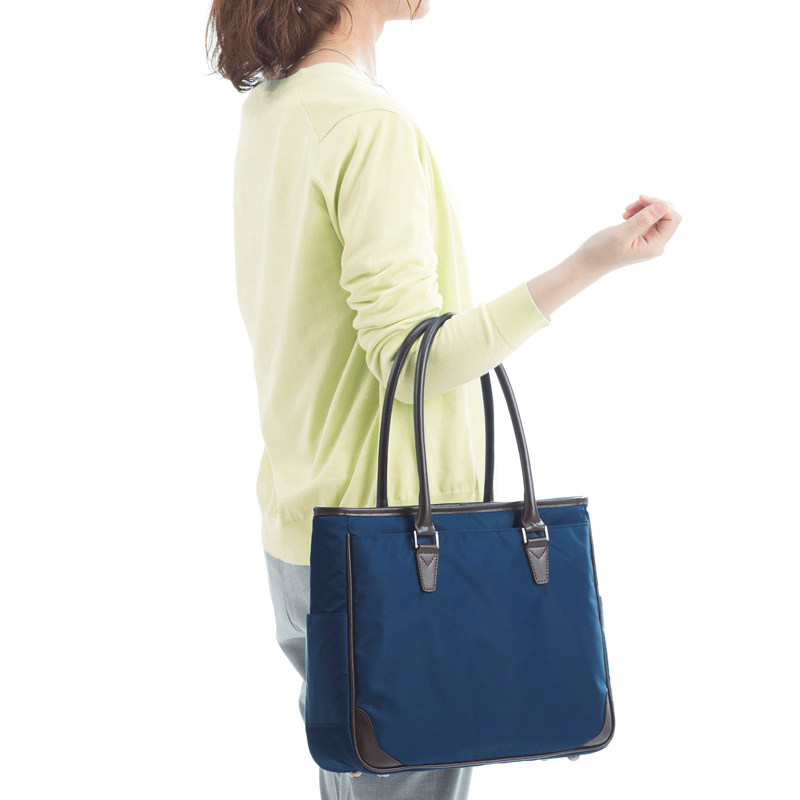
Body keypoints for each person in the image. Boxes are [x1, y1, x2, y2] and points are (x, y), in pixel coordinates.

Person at [205, 1, 682, 797]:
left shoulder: (277, 107)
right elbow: (412, 360)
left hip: (307, 525)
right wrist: (588, 264)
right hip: (388, 546)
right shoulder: (367, 124)